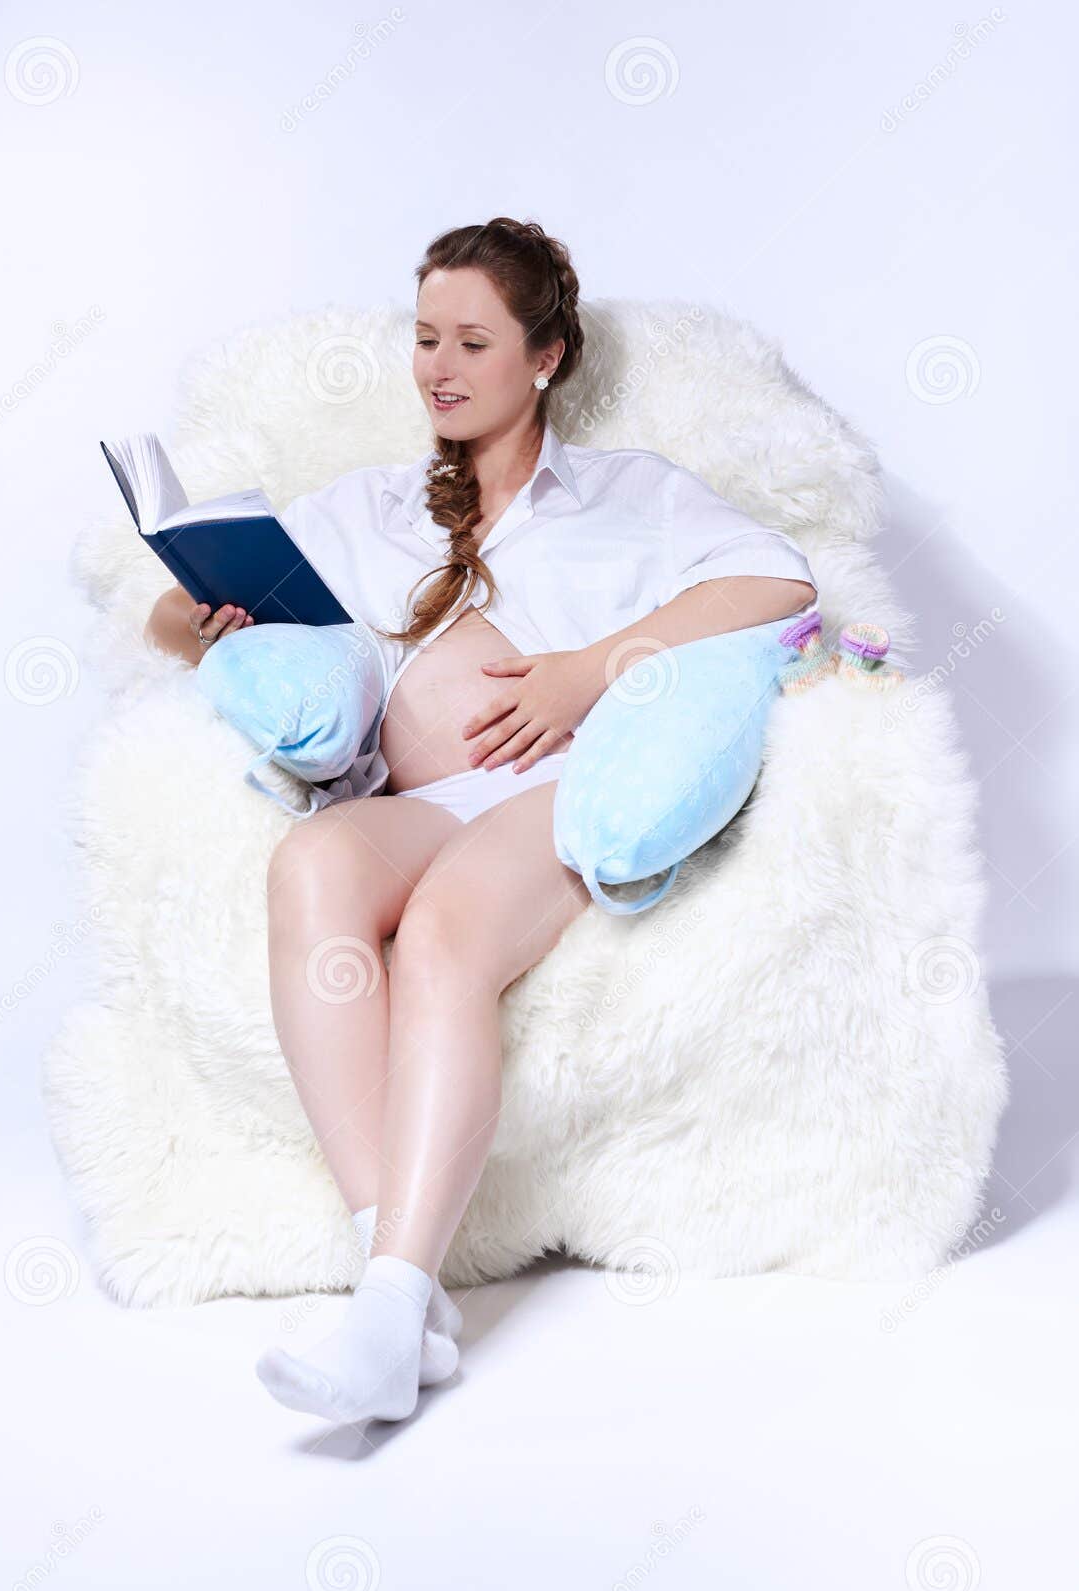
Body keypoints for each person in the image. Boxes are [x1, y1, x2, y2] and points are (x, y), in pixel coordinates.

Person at [145, 216, 818, 1428]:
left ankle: (388, 1305)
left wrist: (590, 667)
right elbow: (167, 612)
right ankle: (395, 1295)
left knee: (447, 929)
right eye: (422, 340)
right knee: (310, 864)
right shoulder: (372, 507)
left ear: (544, 356)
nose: (439, 369)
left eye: (470, 341)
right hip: (411, 799)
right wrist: (204, 624)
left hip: (543, 794)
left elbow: (780, 582)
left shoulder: (628, 494)